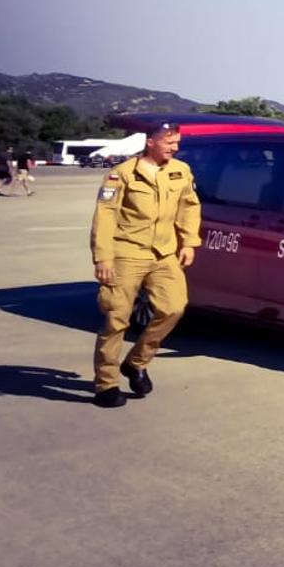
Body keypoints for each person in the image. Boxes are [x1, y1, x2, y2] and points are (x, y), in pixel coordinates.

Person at [90, 123, 199, 408]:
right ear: (150, 142)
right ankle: (106, 383)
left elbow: (189, 206)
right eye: (169, 142)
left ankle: (136, 362)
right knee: (117, 319)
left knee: (174, 307)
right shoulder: (122, 174)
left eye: (177, 143)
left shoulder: (180, 171)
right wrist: (103, 257)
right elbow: (105, 216)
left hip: (164, 254)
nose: (175, 148)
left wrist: (188, 242)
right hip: (127, 253)